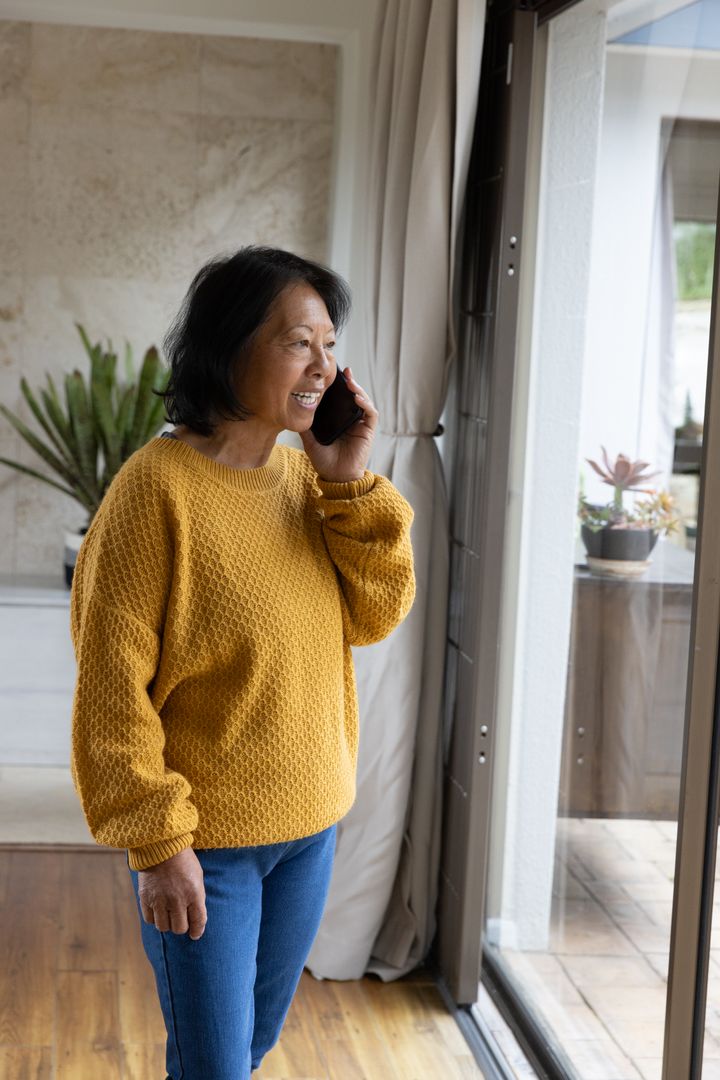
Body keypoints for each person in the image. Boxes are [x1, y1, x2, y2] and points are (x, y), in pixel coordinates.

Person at [68, 245, 416, 1079]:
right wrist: (157, 846)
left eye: (330, 346)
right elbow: (112, 695)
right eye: (300, 343)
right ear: (229, 350)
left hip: (310, 830)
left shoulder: (309, 485)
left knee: (247, 1052)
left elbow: (375, 615)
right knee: (215, 1065)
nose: (324, 368)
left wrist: (347, 480)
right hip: (205, 847)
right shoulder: (153, 493)